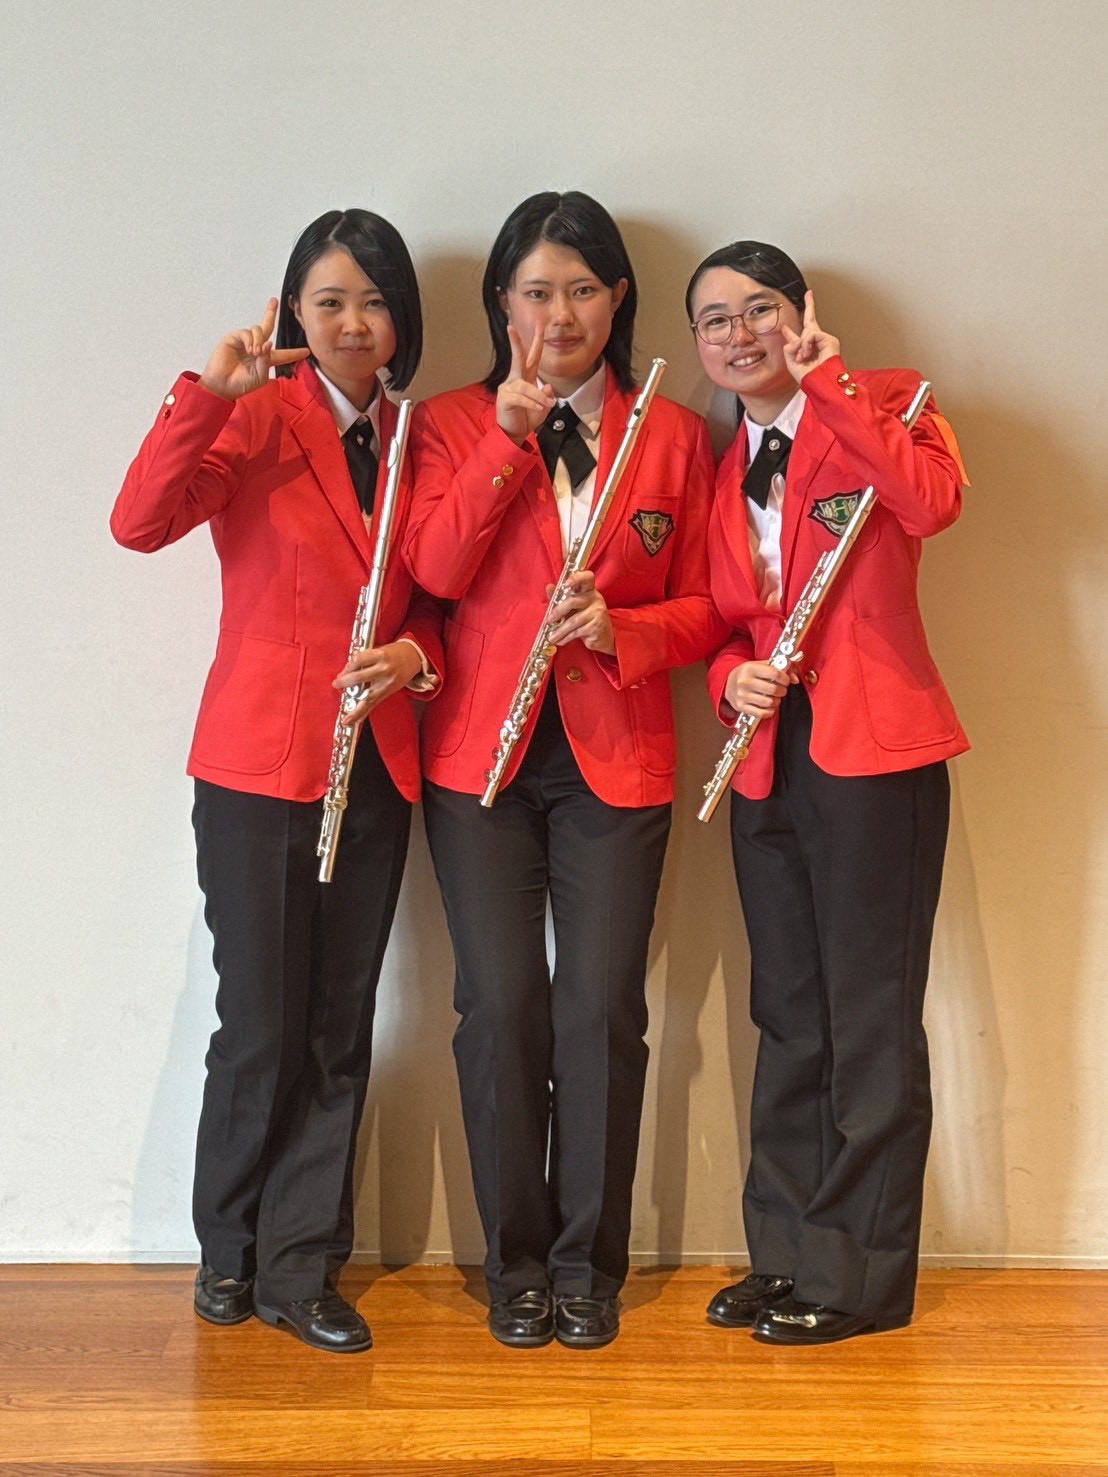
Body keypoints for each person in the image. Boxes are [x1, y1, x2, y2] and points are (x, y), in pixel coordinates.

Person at [110, 209, 441, 1354]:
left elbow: (449, 591)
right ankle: (229, 1247)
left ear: (402, 318)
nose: (353, 323)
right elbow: (139, 523)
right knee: (260, 1021)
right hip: (258, 765)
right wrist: (210, 392)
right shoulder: (256, 417)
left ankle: (303, 1265)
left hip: (375, 765)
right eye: (329, 300)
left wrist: (416, 654)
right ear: (293, 310)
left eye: (374, 300)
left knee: (339, 1026)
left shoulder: (421, 437)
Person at [404, 191, 726, 1350]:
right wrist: (505, 438)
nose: (560, 313)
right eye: (536, 291)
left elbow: (710, 605)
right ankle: (517, 1262)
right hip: (476, 766)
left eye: (582, 289)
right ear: (503, 302)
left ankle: (590, 1263)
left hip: (615, 759)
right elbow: (432, 572)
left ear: (617, 297)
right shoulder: (448, 424)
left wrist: (621, 629)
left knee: (599, 1010)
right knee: (499, 1007)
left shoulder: (672, 434)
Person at [686, 240, 969, 1345]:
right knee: (790, 1015)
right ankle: (788, 1250)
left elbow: (930, 504)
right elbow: (726, 623)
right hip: (768, 757)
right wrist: (729, 677)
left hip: (877, 754)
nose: (739, 334)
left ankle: (858, 1278)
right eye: (715, 320)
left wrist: (832, 387)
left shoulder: (891, 400)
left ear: (801, 312)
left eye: (759, 308)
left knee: (868, 1022)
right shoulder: (722, 466)